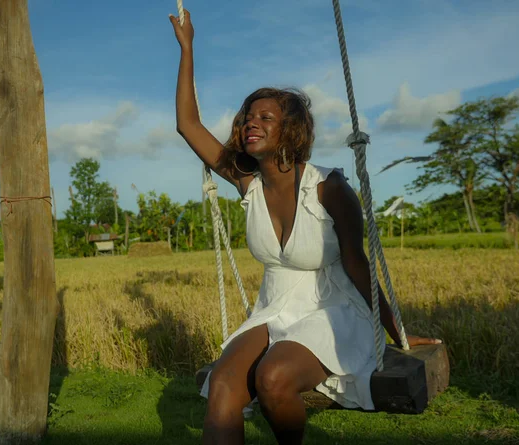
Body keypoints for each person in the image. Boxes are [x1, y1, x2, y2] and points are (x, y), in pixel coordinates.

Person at [169, 9, 442, 445]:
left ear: (291, 130)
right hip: (275, 308)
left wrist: (397, 332)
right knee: (223, 382)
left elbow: (357, 265)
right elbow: (188, 126)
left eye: (266, 118)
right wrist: (187, 48)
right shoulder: (248, 184)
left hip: (333, 310)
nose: (251, 123)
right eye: (248, 118)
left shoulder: (329, 188)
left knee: (274, 378)